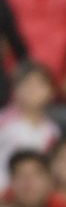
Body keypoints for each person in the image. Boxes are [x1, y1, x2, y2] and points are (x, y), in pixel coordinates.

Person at [0, 63, 60, 195]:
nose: (32, 90)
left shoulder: (53, 131)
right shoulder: (3, 121)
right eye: (26, 84)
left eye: (39, 85)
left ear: (51, 92)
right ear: (14, 91)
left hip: (35, 195)